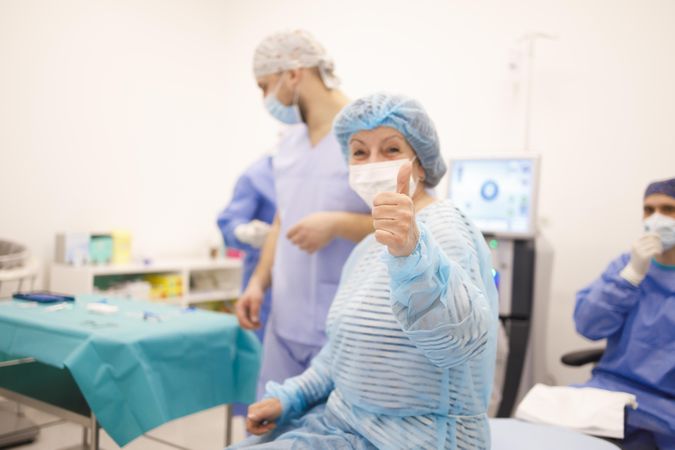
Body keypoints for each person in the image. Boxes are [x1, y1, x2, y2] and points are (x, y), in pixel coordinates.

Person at [231, 93, 499, 449]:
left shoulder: (443, 226)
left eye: (391, 150)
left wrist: (411, 255)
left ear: (420, 164)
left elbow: (455, 343)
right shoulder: (365, 249)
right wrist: (291, 397)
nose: (373, 163)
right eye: (359, 152)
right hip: (340, 426)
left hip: (416, 439)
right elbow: (340, 356)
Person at [235, 30, 373, 397]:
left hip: (344, 330)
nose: (266, 99)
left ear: (293, 73)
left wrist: (338, 224)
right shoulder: (290, 142)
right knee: (272, 429)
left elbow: (412, 222)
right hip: (285, 322)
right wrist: (258, 283)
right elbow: (283, 217)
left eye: (266, 86)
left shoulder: (370, 135)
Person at [574, 177, 675, 450]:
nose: (656, 219)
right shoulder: (627, 264)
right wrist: (630, 276)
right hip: (608, 393)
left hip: (664, 408)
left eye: (668, 210)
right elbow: (587, 325)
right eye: (649, 209)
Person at [217, 154, 276, 342]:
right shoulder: (258, 175)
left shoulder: (324, 172)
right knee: (262, 351)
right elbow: (229, 222)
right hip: (266, 287)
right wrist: (244, 232)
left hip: (309, 284)